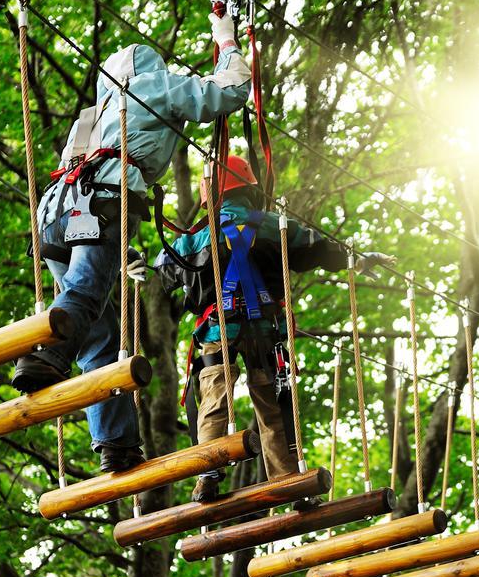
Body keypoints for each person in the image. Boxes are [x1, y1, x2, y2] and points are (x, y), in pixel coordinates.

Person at [11, 14, 251, 474]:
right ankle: (46, 353)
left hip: (54, 218)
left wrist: (123, 252)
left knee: (99, 334)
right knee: (85, 291)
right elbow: (231, 90)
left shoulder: (91, 116)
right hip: (101, 203)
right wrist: (225, 39)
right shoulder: (151, 87)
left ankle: (115, 443)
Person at [153, 155, 394, 502]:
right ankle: (288, 481)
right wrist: (357, 258)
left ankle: (208, 472)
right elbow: (319, 249)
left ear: (211, 197)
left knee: (214, 398)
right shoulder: (276, 226)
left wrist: (134, 264)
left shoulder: (195, 240)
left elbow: (164, 270)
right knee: (273, 408)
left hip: (217, 330)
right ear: (251, 191)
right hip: (266, 331)